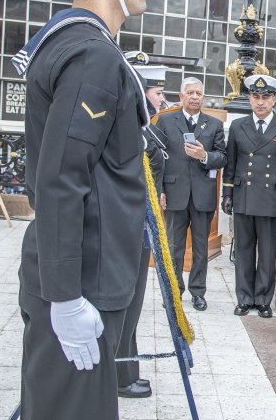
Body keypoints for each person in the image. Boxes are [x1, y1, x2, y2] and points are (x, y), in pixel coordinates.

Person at [13, 0, 152, 418]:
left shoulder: (76, 43)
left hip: (85, 277)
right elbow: (60, 180)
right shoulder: (91, 53)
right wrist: (67, 299)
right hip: (83, 284)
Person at [221, 74, 276, 318]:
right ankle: (244, 299)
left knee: (267, 253)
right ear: (249, 99)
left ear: (274, 99)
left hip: (271, 199)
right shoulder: (238, 126)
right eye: (256, 97)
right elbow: (231, 164)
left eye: (265, 97)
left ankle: (263, 300)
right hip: (244, 196)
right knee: (244, 251)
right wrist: (227, 194)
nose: (260, 102)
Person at [113, 63, 168, 399]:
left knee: (131, 306)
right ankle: (118, 375)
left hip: (141, 226)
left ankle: (126, 370)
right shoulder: (132, 127)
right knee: (125, 304)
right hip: (130, 227)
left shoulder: (144, 127)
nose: (162, 99)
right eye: (158, 92)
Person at [156, 77, 226, 310]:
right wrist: (160, 190)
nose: (195, 97)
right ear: (181, 96)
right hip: (174, 193)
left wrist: (204, 156)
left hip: (202, 196)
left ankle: (198, 292)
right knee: (174, 247)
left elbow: (223, 157)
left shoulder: (213, 125)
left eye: (199, 93)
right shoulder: (165, 121)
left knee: (200, 248)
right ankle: (174, 291)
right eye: (191, 93)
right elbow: (157, 158)